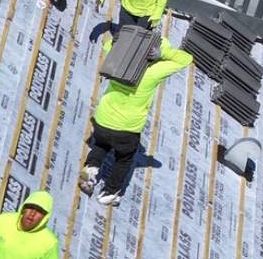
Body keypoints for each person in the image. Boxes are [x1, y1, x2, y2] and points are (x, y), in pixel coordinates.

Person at [83, 36, 194, 200]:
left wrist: (130, 42)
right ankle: (110, 192)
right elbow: (186, 59)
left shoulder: (120, 60)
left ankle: (91, 170)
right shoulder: (154, 72)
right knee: (124, 159)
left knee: (101, 144)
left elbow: (108, 43)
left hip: (103, 119)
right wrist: (163, 53)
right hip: (127, 128)